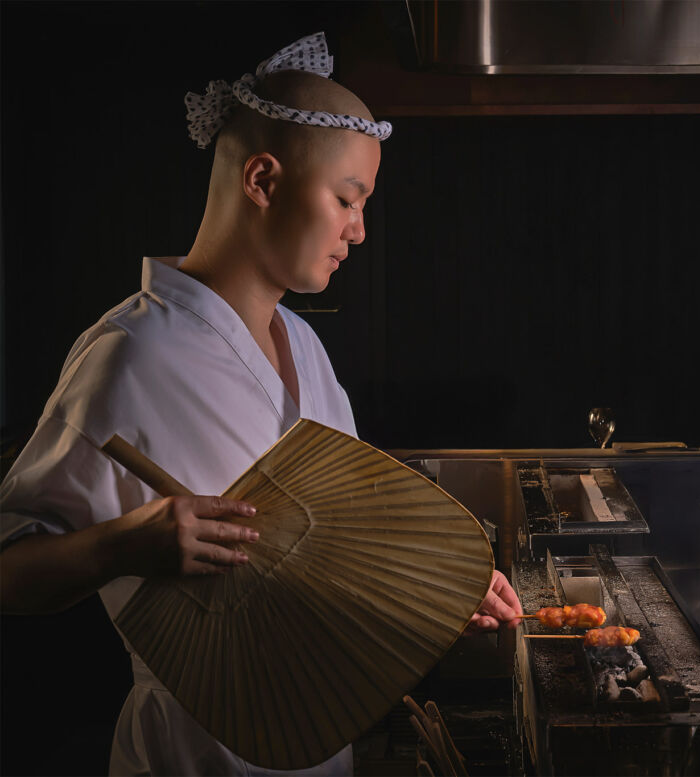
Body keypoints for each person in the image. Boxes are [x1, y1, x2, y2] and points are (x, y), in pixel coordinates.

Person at [0, 32, 522, 776]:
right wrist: (123, 545)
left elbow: (331, 548)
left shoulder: (305, 347)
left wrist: (436, 591)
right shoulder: (128, 357)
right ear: (264, 180)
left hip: (318, 746)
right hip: (190, 754)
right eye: (348, 198)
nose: (360, 230)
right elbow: (8, 570)